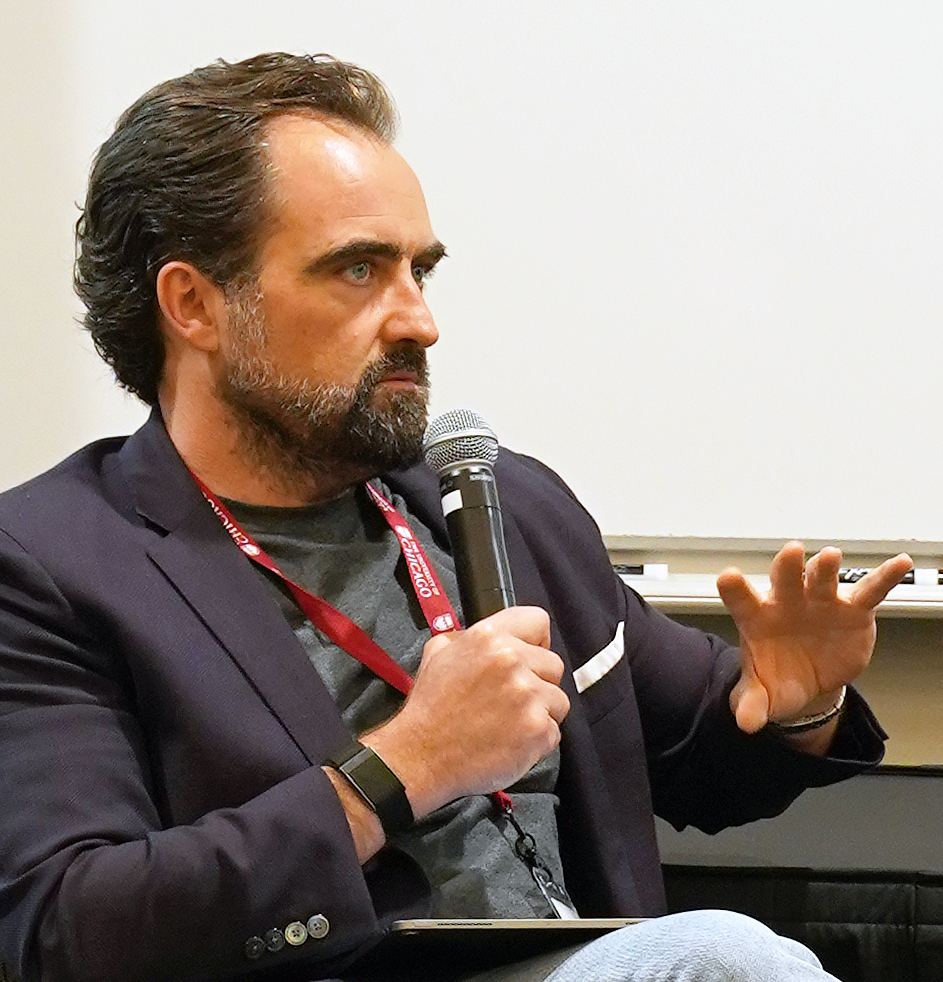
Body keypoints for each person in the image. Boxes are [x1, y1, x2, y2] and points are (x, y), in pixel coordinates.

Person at [0, 52, 911, 982]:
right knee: (720, 960)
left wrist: (802, 707)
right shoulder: (51, 564)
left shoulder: (499, 503)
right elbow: (68, 930)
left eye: (418, 271)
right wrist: (406, 764)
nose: (418, 321)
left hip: (585, 963)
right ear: (194, 304)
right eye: (358, 270)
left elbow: (701, 760)